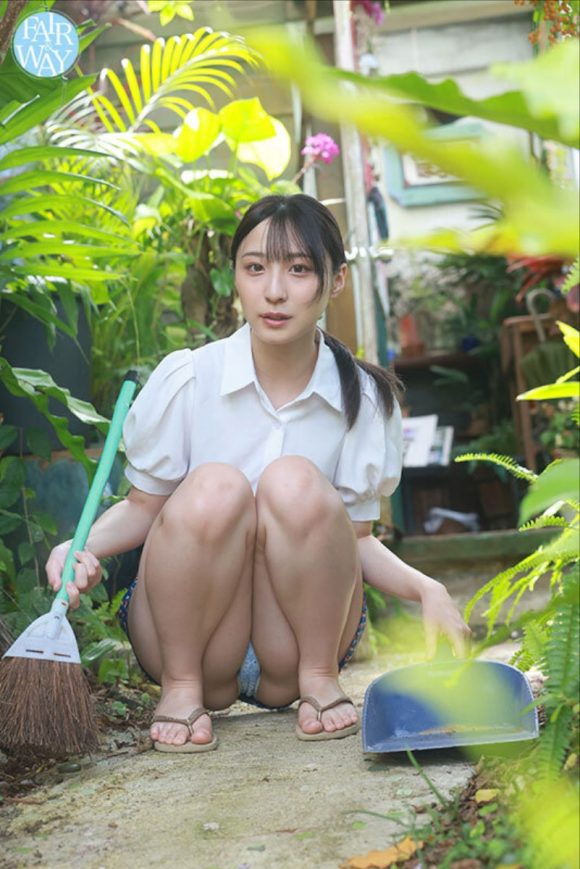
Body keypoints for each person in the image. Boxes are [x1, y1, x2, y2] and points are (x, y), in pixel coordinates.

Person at [46, 194, 471, 753]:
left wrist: (427, 588)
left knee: (293, 481)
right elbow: (144, 508)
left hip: (296, 644)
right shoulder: (189, 379)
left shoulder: (363, 398)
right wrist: (79, 548)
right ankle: (181, 688)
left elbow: (355, 540)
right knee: (216, 486)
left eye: (298, 269)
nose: (274, 291)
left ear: (336, 280)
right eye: (255, 268)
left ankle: (320, 679)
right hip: (191, 636)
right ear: (236, 277)